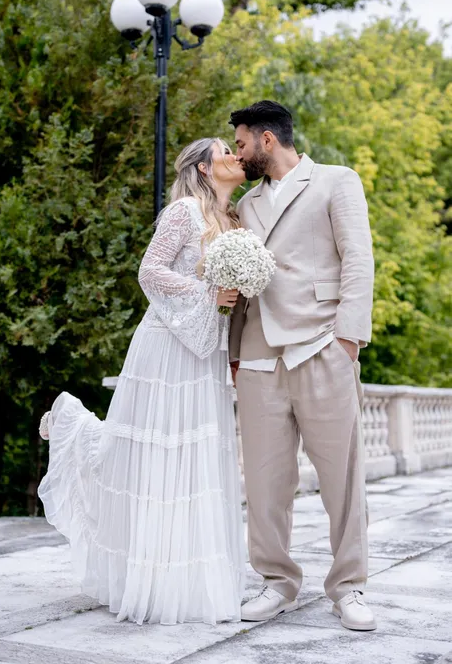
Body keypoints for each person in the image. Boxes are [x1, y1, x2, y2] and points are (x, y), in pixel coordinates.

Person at [38, 138, 247, 626]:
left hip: (207, 353)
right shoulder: (184, 212)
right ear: (203, 167)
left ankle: (189, 584)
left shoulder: (234, 221)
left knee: (194, 460)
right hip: (165, 347)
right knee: (152, 454)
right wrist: (208, 291)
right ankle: (70, 422)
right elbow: (149, 271)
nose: (234, 156)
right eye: (224, 150)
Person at [229, 100, 377, 631]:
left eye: (242, 143)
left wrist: (348, 339)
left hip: (322, 345)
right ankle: (276, 582)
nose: (238, 154)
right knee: (265, 482)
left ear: (267, 139)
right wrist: (235, 353)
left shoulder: (337, 181)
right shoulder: (245, 205)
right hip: (259, 356)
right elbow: (239, 284)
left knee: (342, 479)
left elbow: (358, 258)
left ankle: (349, 587)